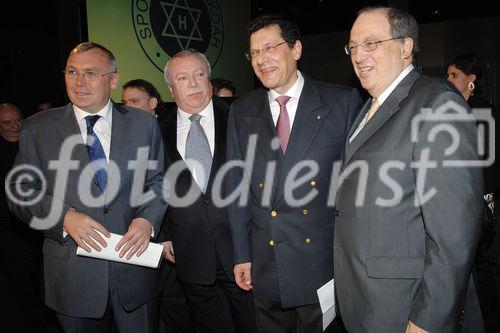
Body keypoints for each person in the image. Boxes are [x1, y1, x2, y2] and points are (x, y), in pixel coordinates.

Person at [335, 7, 483, 332]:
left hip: (405, 306)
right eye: (353, 46)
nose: (359, 55)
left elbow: (455, 234)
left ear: (405, 47)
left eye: (371, 43)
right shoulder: (368, 108)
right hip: (366, 298)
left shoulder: (437, 104)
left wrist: (428, 318)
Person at [7, 42, 167, 333]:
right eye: (72, 72)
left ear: (113, 79)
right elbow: (20, 189)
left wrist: (147, 220)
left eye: (91, 73)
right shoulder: (37, 128)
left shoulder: (143, 125)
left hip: (135, 273)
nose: (79, 82)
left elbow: (157, 181)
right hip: (72, 280)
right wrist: (64, 217)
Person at [226, 14, 362, 332]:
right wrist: (241, 254)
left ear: (296, 49)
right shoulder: (242, 111)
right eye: (254, 52)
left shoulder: (341, 102)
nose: (261, 59)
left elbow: (356, 188)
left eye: (270, 47)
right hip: (266, 262)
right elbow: (237, 190)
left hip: (323, 263)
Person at [157, 49, 257, 333]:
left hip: (242, 254)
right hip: (189, 256)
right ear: (170, 87)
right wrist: (162, 235)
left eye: (200, 75)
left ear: (210, 81)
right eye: (183, 77)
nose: (193, 83)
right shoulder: (155, 128)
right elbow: (151, 184)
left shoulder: (241, 117)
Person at [448, 53, 500, 331]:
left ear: (471, 80)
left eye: (454, 75)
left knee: (485, 267)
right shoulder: (449, 112)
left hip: (483, 205)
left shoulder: (487, 113)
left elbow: (491, 163)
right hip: (456, 205)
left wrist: (486, 195)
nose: (448, 80)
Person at [0, 103, 48, 333]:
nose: (15, 126)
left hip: (41, 227)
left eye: (18, 119)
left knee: (46, 277)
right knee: (22, 282)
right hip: (10, 231)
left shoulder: (35, 144)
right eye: (7, 123)